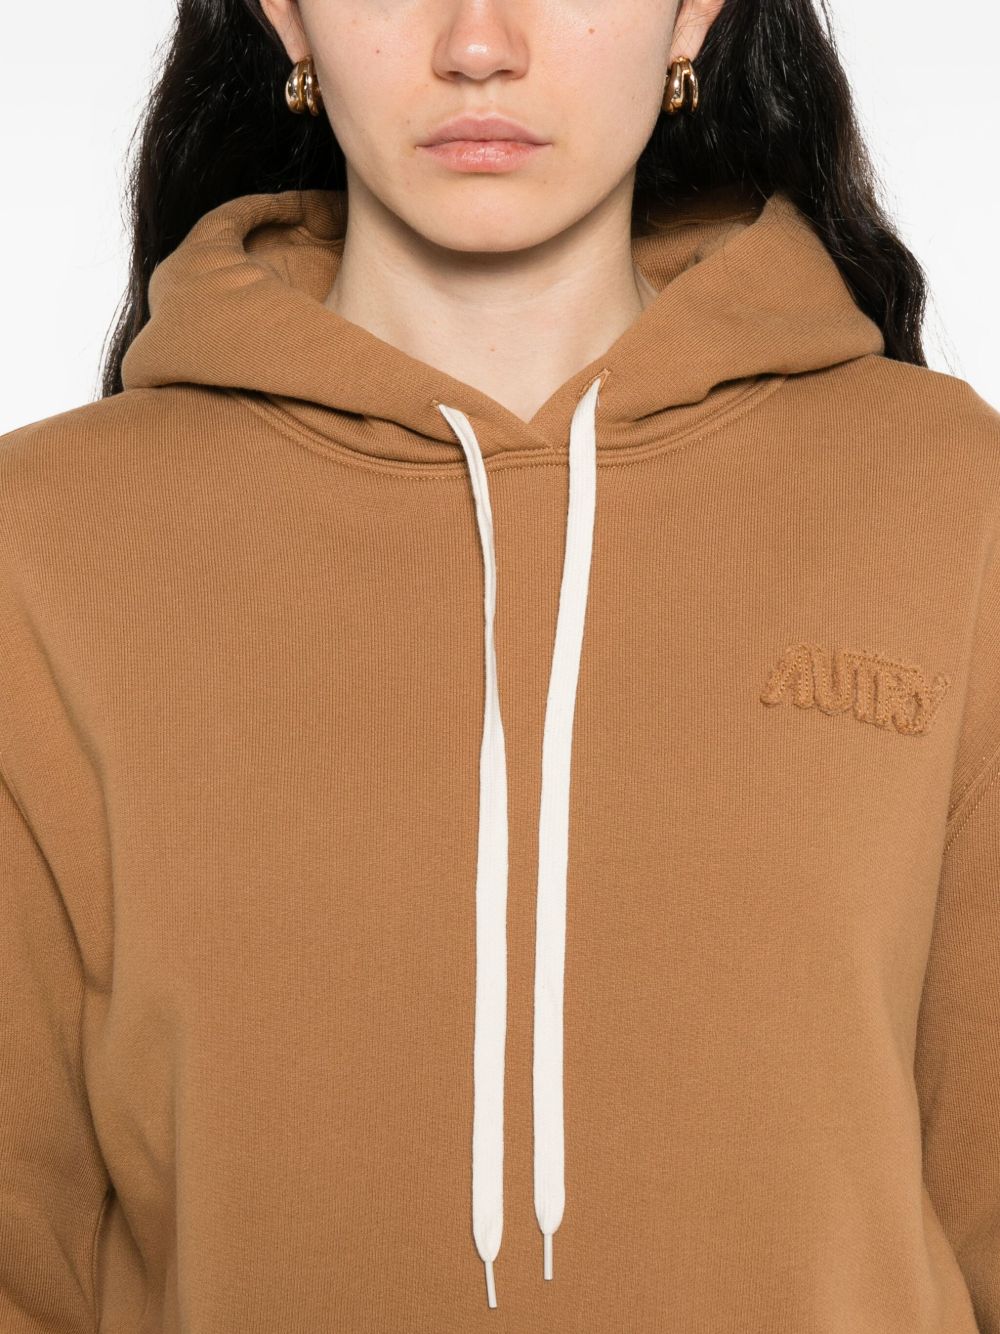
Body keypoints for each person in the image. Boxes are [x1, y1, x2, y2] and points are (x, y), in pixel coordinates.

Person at [1, 0, 999, 1328]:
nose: (479, 44)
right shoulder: (44, 541)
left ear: (694, 13)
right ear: (286, 14)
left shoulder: (950, 497)